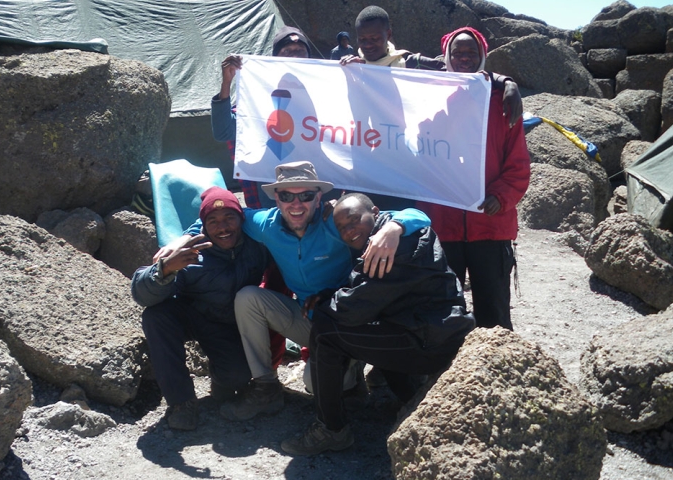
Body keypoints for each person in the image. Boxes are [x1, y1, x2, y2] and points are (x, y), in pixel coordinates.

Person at [161, 161, 431, 421]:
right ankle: (266, 387)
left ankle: (354, 371)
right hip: (309, 320)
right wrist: (186, 236)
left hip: (348, 319)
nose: (296, 203)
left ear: (318, 198)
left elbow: (419, 217)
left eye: (306, 195)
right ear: (276, 199)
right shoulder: (265, 224)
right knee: (249, 298)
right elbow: (223, 216)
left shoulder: (335, 222)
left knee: (314, 383)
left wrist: (395, 227)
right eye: (287, 195)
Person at [281, 193, 475, 455]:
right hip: (432, 330)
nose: (349, 231)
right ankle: (412, 400)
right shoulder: (392, 233)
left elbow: (352, 310)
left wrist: (327, 303)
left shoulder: (394, 246)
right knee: (377, 322)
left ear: (374, 211)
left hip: (431, 341)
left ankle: (332, 429)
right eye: (342, 227)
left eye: (354, 220)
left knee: (327, 331)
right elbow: (366, 291)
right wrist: (330, 295)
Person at [417, 27, 531, 331]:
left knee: (492, 311)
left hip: (490, 225)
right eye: (457, 53)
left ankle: (495, 366)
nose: (464, 58)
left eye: (471, 53)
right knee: (442, 307)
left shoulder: (502, 101)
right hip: (442, 224)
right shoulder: (427, 97)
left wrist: (501, 197)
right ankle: (443, 370)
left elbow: (518, 164)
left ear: (483, 55)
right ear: (447, 57)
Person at [131, 187, 269, 430]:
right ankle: (181, 402)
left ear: (241, 220)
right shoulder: (191, 251)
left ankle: (221, 379)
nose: (223, 227)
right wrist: (165, 270)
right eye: (213, 221)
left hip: (226, 324)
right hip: (190, 315)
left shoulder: (258, 246)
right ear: (204, 225)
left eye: (230, 218)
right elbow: (141, 294)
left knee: (237, 378)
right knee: (156, 316)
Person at [340, 5, 522, 127]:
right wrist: (347, 69)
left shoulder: (409, 62)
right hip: (367, 141)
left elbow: (456, 69)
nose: (368, 45)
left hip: (399, 144)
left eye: (375, 38)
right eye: (362, 39)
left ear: (388, 34)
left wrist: (507, 82)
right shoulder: (355, 66)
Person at [212, 26, 312, 209]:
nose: (295, 56)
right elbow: (223, 131)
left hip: (315, 190)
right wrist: (226, 83)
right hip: (272, 194)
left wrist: (359, 75)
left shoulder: (325, 93)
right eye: (287, 51)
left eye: (300, 51)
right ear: (275, 57)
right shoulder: (259, 99)